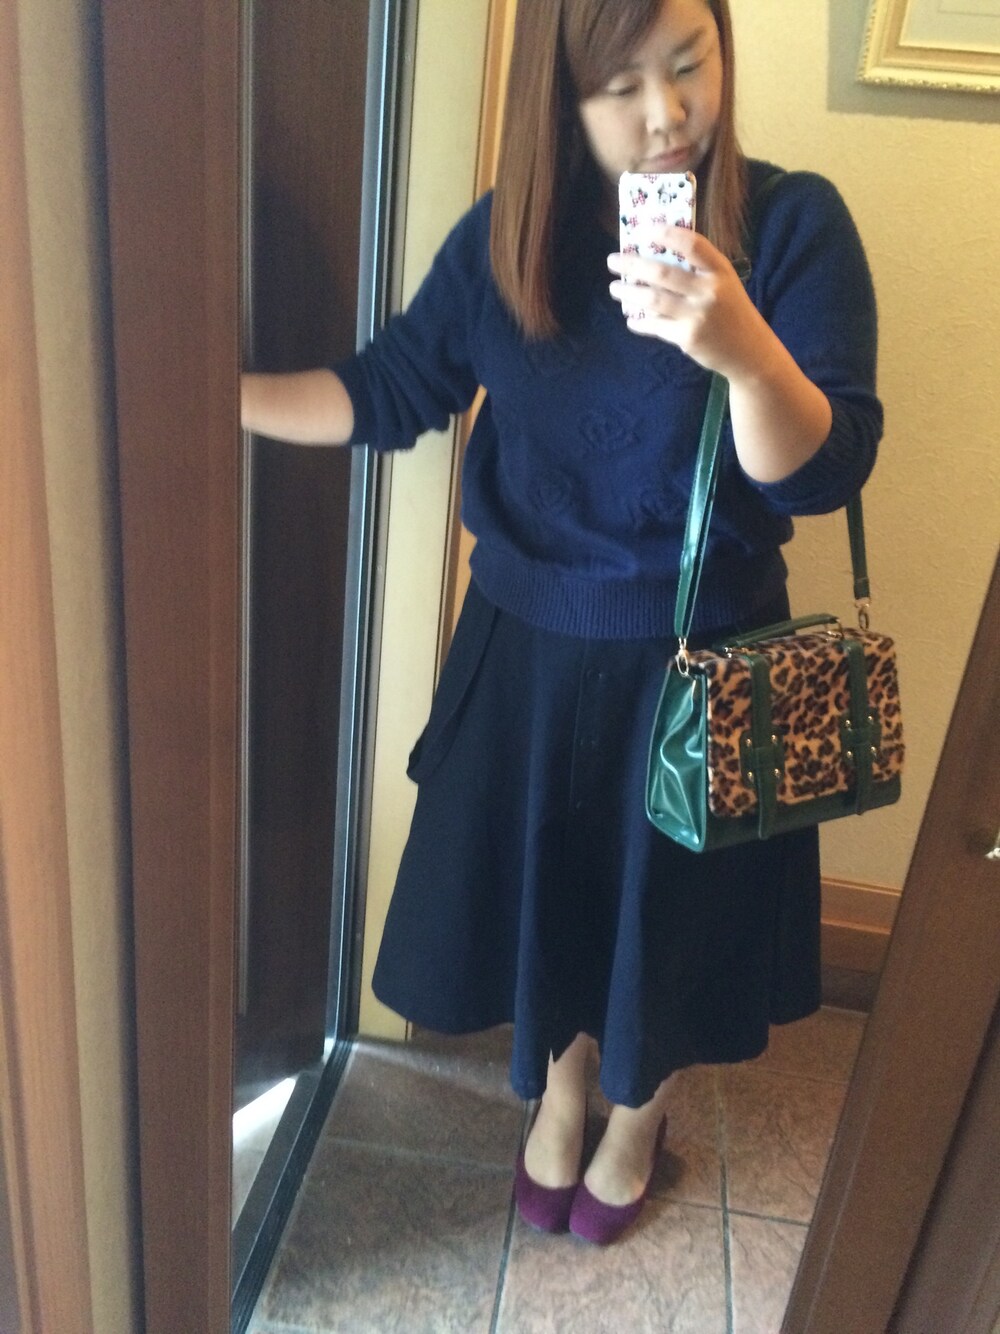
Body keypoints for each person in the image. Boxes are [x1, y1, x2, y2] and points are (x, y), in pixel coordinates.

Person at [241, 0, 882, 1245]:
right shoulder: (510, 237)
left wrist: (743, 349)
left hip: (701, 660)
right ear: (560, 96)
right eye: (620, 86)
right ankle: (563, 1091)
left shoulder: (793, 224)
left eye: (689, 63)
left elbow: (821, 472)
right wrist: (209, 396)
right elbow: (390, 390)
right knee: (557, 899)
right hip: (525, 651)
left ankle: (636, 1119)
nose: (667, 114)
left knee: (669, 921)